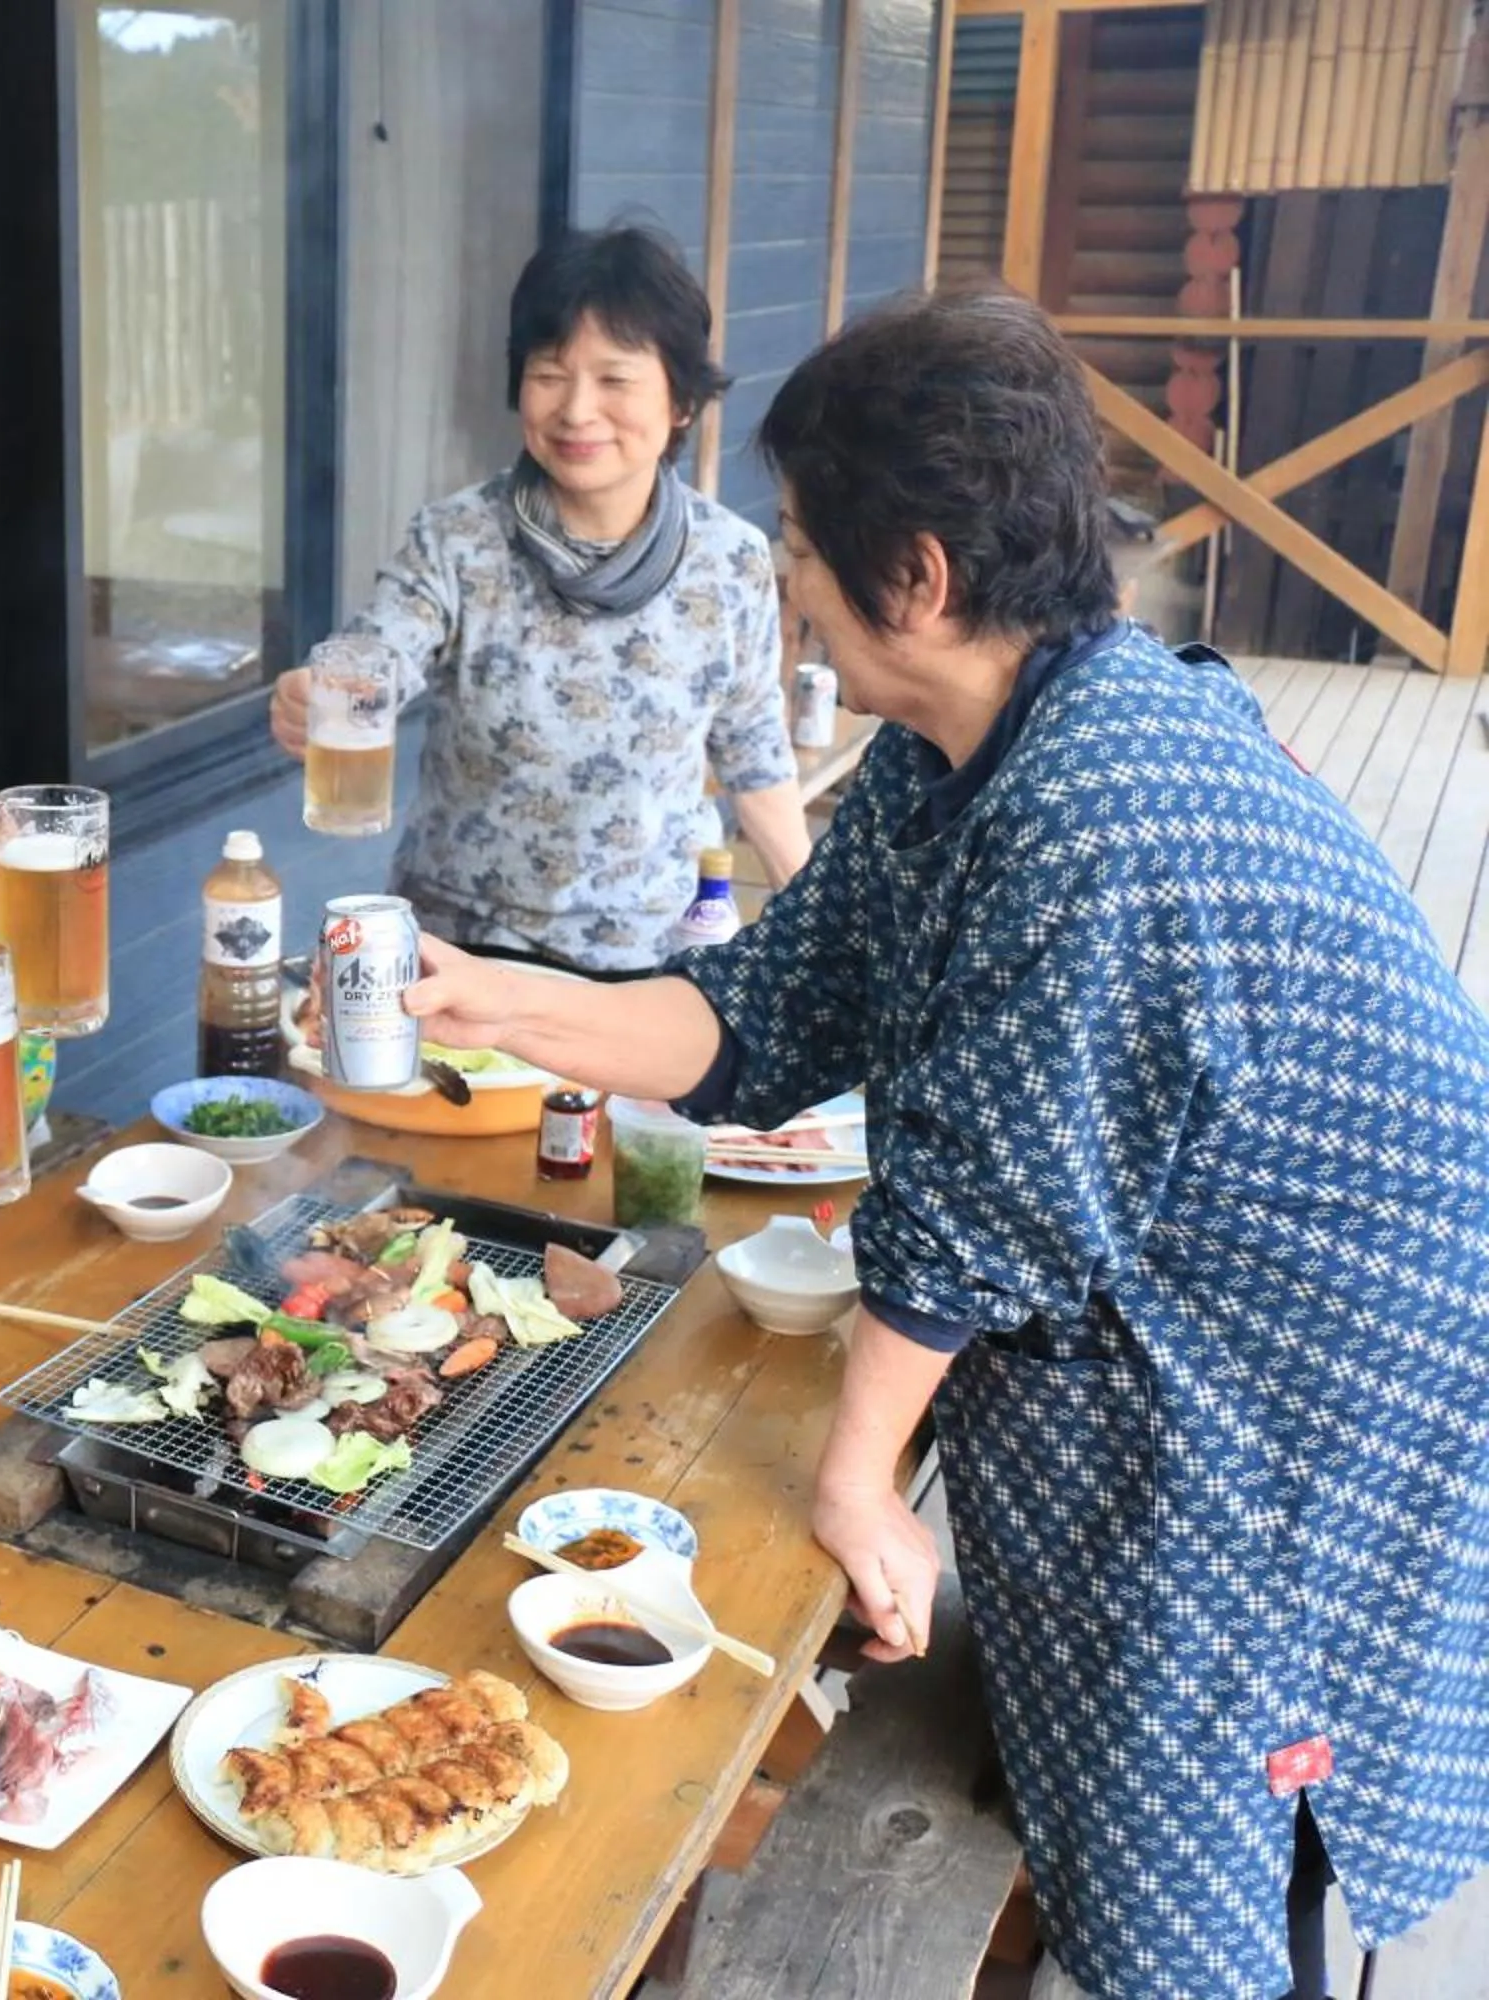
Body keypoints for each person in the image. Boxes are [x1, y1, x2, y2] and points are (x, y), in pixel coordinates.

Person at [403, 289, 1489, 1999]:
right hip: (1163, 1359)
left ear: (912, 575)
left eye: (799, 550)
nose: (786, 586)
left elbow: (979, 1213)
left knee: (1199, 1879)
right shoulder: (958, 744)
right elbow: (757, 1015)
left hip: (1293, 1420)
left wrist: (856, 1484)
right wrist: (491, 999)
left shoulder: (1107, 804)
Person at [268, 225, 809, 973]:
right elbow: (382, 651)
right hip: (463, 954)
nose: (577, 410)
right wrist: (320, 695)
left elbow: (757, 760)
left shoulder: (730, 562)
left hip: (648, 962)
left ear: (682, 401)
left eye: (614, 380)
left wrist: (828, 944)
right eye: (550, 373)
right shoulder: (458, 538)